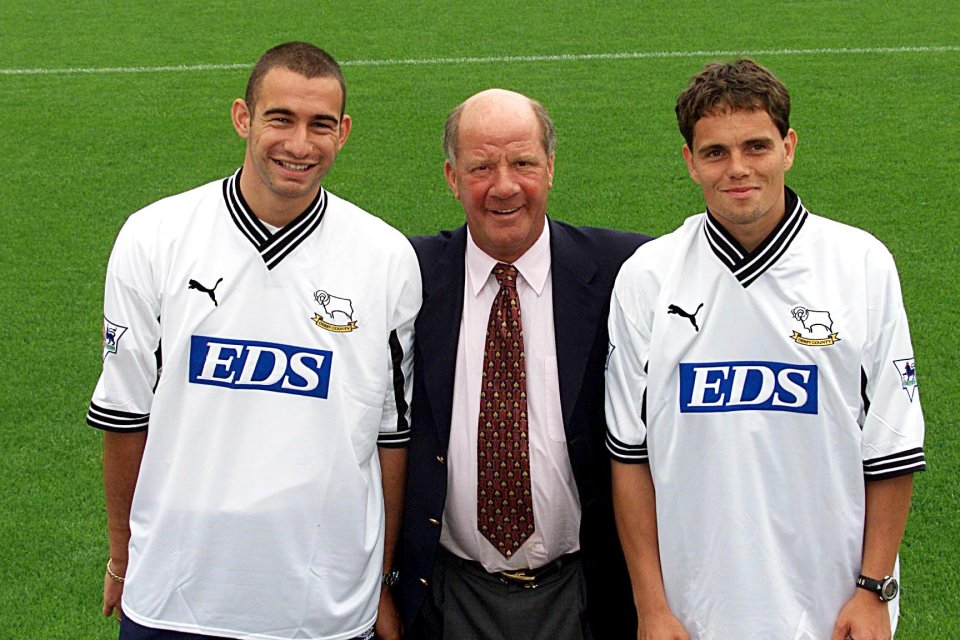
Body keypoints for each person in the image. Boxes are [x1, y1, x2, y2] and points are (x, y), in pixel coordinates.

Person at [87, 41, 421, 640]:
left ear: (343, 132)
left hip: (324, 607)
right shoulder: (154, 237)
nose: (299, 144)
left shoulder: (385, 256)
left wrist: (381, 578)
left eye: (320, 124)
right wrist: (122, 552)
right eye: (280, 119)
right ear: (243, 117)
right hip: (174, 598)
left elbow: (391, 437)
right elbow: (124, 416)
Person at [605, 58, 925, 639]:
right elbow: (629, 458)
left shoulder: (860, 264)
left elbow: (892, 445)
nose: (738, 169)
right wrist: (652, 607)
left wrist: (874, 590)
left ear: (788, 147)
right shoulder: (648, 276)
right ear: (689, 162)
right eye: (715, 153)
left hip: (833, 614)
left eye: (756, 146)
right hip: (695, 615)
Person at [395, 88, 648, 639]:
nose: (504, 186)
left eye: (524, 163)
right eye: (481, 166)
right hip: (445, 594)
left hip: (586, 590)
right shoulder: (404, 275)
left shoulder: (629, 271)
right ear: (451, 177)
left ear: (551, 168)